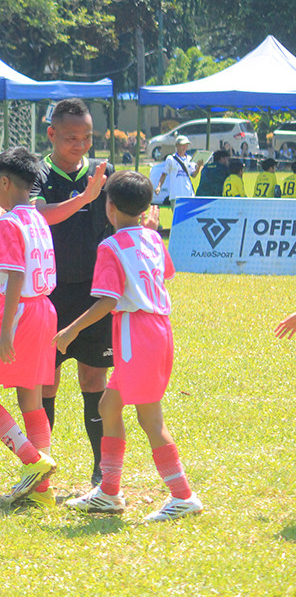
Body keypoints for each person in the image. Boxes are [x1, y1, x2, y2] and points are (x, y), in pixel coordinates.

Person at [58, 171, 203, 522]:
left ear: (109, 206)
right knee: (109, 406)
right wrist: (148, 231)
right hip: (156, 330)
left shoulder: (109, 247)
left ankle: (183, 495)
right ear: (146, 208)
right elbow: (165, 274)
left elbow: (107, 301)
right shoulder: (153, 239)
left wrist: (70, 331)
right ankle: (109, 491)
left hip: (136, 334)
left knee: (150, 419)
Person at [0, 147, 57, 505]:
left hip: (18, 313)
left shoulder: (8, 222)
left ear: (3, 182)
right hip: (45, 309)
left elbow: (15, 273)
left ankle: (32, 461)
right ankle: (43, 491)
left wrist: (5, 331)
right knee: (30, 398)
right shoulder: (37, 218)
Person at [31, 98, 109, 485]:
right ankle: (40, 470)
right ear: (52, 134)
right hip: (48, 296)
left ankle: (101, 468)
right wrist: (83, 200)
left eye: (87, 137)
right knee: (46, 383)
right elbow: (36, 216)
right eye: (71, 137)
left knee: (94, 381)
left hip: (96, 297)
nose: (80, 144)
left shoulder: (100, 176)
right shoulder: (37, 176)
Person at [156, 135, 201, 202]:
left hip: (188, 194)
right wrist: (159, 187)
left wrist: (198, 167)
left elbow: (193, 175)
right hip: (175, 195)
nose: (184, 147)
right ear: (177, 146)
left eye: (186, 145)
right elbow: (164, 174)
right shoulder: (171, 159)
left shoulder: (189, 159)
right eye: (182, 145)